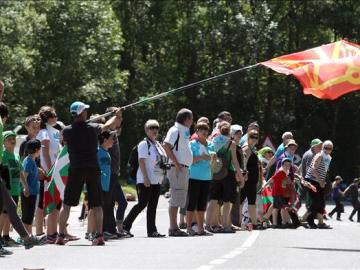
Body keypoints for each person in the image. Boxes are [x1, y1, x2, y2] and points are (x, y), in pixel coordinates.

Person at [56, 101, 122, 246]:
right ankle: (98, 235)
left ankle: (60, 235)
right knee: (97, 204)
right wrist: (115, 114)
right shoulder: (93, 128)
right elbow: (108, 125)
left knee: (66, 204)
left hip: (76, 169)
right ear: (82, 113)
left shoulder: (66, 131)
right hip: (92, 168)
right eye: (85, 110)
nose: (86, 112)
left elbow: (65, 137)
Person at [124, 120, 166, 237]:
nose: (154, 130)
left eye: (156, 128)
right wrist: (146, 178)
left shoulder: (157, 144)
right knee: (142, 204)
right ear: (146, 130)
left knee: (153, 206)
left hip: (156, 179)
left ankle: (152, 230)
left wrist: (162, 177)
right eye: (151, 128)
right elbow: (141, 161)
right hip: (145, 179)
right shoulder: (144, 144)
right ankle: (125, 226)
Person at [208, 122, 244, 233]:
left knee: (213, 200)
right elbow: (235, 161)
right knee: (227, 201)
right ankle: (225, 226)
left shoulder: (213, 141)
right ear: (230, 132)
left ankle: (207, 225)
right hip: (228, 174)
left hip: (215, 173)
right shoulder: (231, 143)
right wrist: (241, 177)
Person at [163, 108, 193, 237]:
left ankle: (174, 227)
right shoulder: (175, 130)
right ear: (186, 119)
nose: (193, 121)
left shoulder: (183, 130)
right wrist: (176, 163)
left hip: (183, 168)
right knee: (176, 197)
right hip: (177, 168)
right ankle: (173, 228)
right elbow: (166, 145)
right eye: (191, 118)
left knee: (179, 197)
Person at [102, 107, 129, 238]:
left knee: (118, 202)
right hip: (108, 173)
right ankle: (107, 229)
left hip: (114, 174)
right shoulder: (107, 132)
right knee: (109, 202)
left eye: (121, 117)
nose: (121, 120)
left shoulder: (113, 132)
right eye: (118, 117)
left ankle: (113, 229)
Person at [36, 106, 61, 242]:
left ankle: (54, 232)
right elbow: (44, 153)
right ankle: (50, 234)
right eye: (55, 115)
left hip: (55, 170)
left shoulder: (55, 132)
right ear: (49, 118)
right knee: (52, 201)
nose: (56, 118)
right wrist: (51, 169)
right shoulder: (44, 132)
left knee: (57, 201)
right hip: (49, 172)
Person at [186, 122, 214, 236]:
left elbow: (214, 163)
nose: (204, 131)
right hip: (194, 176)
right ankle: (189, 227)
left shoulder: (211, 144)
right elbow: (189, 161)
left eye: (206, 130)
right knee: (192, 202)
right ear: (197, 132)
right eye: (201, 129)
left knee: (202, 204)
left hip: (207, 177)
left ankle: (201, 228)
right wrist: (201, 157)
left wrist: (214, 160)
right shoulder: (192, 144)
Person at [305, 140, 334, 229]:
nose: (327, 150)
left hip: (320, 181)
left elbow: (324, 171)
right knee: (316, 201)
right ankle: (309, 219)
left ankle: (320, 223)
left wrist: (323, 181)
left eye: (330, 148)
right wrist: (320, 181)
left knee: (321, 202)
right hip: (312, 180)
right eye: (326, 148)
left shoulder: (328, 157)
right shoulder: (320, 155)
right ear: (322, 148)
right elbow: (313, 168)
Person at [0, 131, 22, 246]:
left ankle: (6, 236)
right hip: (5, 190)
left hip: (15, 189)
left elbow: (20, 171)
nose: (12, 140)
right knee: (3, 213)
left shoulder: (16, 155)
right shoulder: (2, 156)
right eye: (9, 139)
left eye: (13, 138)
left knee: (10, 213)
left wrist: (26, 186)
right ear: (3, 142)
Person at [240, 129, 263, 229]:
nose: (254, 139)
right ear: (248, 138)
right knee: (251, 202)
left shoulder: (252, 149)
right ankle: (254, 223)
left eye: (256, 137)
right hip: (248, 180)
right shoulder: (247, 148)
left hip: (251, 180)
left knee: (242, 201)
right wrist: (244, 174)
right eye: (252, 137)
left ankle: (242, 222)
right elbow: (243, 162)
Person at [97, 130, 116, 240]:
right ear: (104, 140)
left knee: (105, 207)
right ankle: (100, 231)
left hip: (106, 185)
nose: (113, 141)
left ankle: (104, 230)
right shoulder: (98, 151)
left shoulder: (106, 152)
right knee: (100, 207)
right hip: (99, 184)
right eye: (111, 139)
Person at [20, 139, 42, 235]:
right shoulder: (29, 161)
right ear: (37, 149)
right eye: (40, 149)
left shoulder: (32, 160)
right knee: (27, 216)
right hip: (28, 193)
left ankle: (29, 235)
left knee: (30, 215)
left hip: (32, 193)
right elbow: (24, 175)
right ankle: (25, 236)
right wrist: (26, 188)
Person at [264, 158, 292, 228]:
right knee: (281, 207)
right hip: (277, 193)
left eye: (288, 165)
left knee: (276, 208)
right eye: (285, 165)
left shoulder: (286, 172)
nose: (287, 167)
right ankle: (283, 222)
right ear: (282, 165)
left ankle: (275, 223)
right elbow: (272, 178)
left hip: (280, 192)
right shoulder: (281, 172)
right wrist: (265, 185)